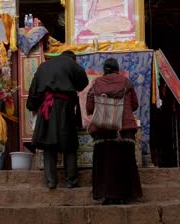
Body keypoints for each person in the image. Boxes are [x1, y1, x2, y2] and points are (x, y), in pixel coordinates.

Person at [26, 50, 89, 189]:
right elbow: (83, 84)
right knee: (70, 144)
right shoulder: (72, 64)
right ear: (73, 58)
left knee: (49, 144)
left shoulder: (43, 66)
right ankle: (71, 181)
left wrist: (32, 105)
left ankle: (50, 181)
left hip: (47, 108)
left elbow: (33, 91)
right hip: (65, 108)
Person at [86, 58, 143, 205]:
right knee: (125, 162)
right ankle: (126, 195)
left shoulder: (96, 83)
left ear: (104, 70)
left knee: (105, 164)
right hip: (124, 129)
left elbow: (90, 107)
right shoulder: (127, 82)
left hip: (102, 129)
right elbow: (135, 105)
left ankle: (107, 195)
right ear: (118, 69)